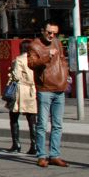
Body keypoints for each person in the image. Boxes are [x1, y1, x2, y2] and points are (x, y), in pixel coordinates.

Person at [28, 21, 70, 168]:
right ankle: (41, 155)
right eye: (49, 32)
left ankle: (55, 155)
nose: (52, 35)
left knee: (57, 125)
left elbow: (63, 60)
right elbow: (31, 64)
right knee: (42, 124)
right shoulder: (35, 45)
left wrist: (65, 74)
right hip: (45, 89)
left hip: (59, 87)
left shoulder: (58, 43)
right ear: (43, 31)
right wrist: (47, 55)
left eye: (54, 33)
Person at [6, 40, 39, 154]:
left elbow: (16, 76)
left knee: (14, 117)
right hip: (32, 90)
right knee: (32, 119)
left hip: (20, 91)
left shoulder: (19, 59)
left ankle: (16, 144)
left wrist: (10, 73)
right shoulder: (36, 59)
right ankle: (34, 145)